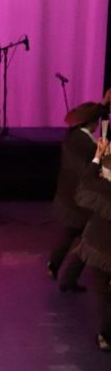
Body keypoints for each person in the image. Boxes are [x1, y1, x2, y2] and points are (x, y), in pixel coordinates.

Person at [51, 99, 109, 291]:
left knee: (79, 239)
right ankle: (62, 274)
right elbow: (91, 173)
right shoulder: (89, 146)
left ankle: (59, 271)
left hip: (71, 197)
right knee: (86, 241)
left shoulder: (72, 136)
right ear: (93, 124)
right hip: (81, 202)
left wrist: (104, 103)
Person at [73, 138, 110, 351]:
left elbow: (85, 180)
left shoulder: (100, 189)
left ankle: (105, 335)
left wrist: (97, 156)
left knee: (102, 292)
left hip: (100, 248)